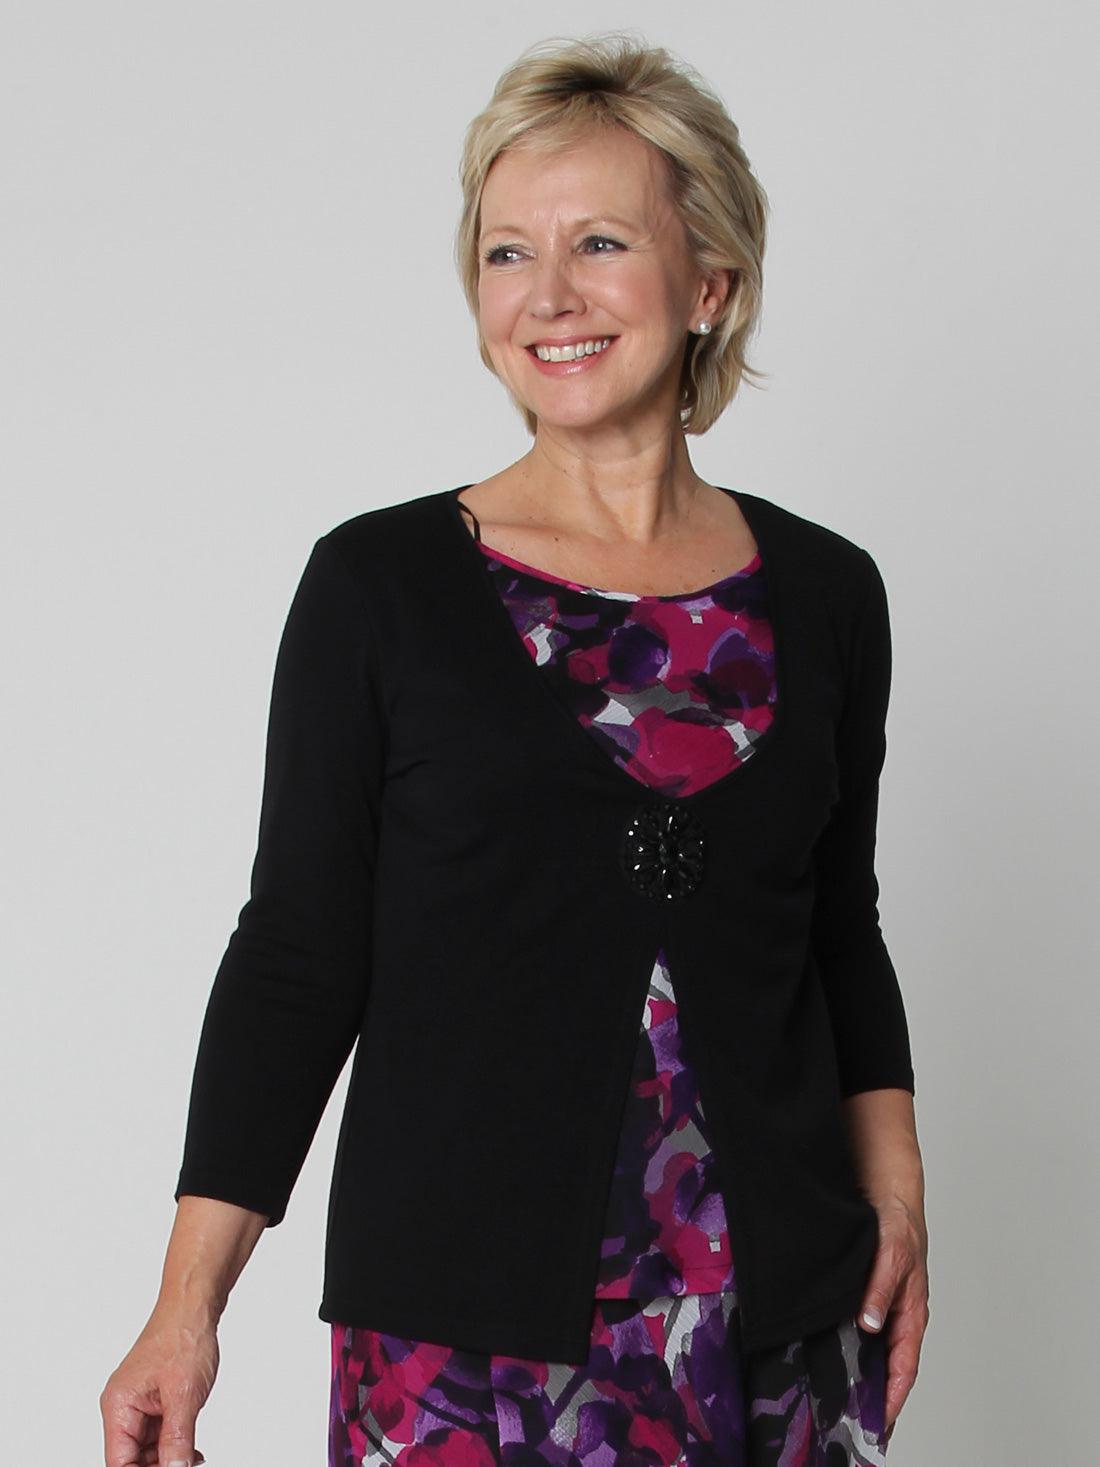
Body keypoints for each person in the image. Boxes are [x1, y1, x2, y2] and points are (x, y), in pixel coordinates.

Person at [100, 31, 929, 1467]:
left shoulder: (828, 593)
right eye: (505, 253)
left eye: (600, 242)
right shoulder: (381, 589)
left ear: (711, 281)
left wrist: (899, 1195)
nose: (547, 296)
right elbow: (298, 955)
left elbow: (836, 928)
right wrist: (187, 1310)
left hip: (774, 1327)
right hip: (459, 1348)